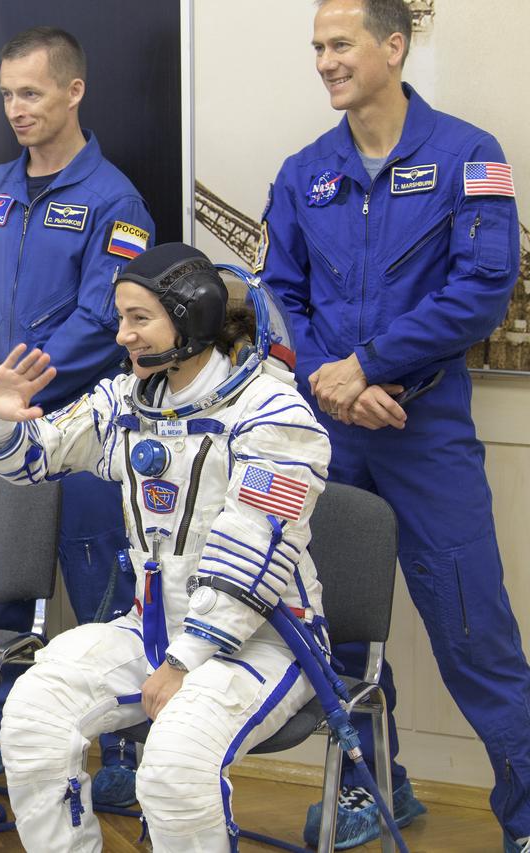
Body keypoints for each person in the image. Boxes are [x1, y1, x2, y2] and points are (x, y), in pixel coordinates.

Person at [258, 1, 530, 849]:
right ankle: (373, 788)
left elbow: (484, 286)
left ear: (394, 46)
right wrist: (334, 386)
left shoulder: (468, 155)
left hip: (425, 429)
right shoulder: (304, 173)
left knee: (472, 632)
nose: (325, 61)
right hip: (328, 431)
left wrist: (371, 364)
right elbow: (278, 300)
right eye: (317, 47)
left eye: (341, 44)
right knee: (333, 626)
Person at [0, 243, 331, 852]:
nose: (124, 335)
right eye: (121, 318)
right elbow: (38, 456)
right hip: (155, 630)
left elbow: (254, 547)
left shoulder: (275, 415)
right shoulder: (128, 402)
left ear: (189, 319)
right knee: (34, 710)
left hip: (267, 639)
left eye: (139, 319)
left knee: (173, 764)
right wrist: (0, 418)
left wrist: (186, 660)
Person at [0, 26, 154, 797]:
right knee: (5, 586)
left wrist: (24, 385)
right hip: (3, 424)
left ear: (73, 91)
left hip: (81, 430)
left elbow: (109, 321)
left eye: (30, 92)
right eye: (6, 94)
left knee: (101, 592)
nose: (16, 109)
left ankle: (124, 754)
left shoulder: (116, 201)